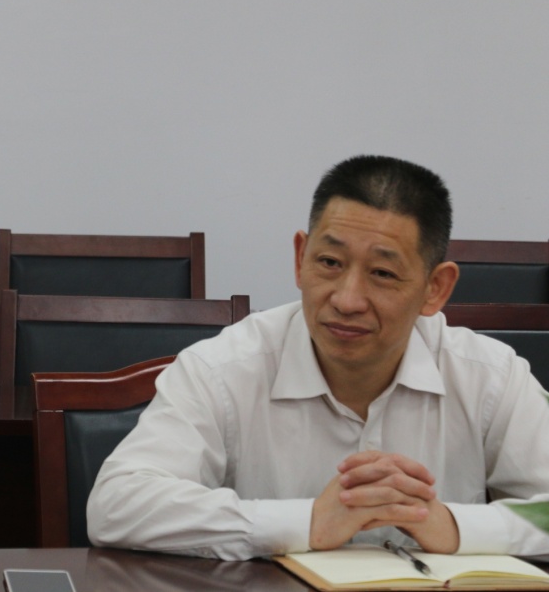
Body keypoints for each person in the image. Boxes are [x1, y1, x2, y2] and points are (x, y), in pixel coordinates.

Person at [88, 155, 549, 559]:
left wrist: (452, 527)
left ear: (436, 288)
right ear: (300, 257)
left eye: (382, 273)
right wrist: (307, 522)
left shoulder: (491, 376)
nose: (347, 300)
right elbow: (117, 505)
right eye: (329, 263)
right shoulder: (220, 369)